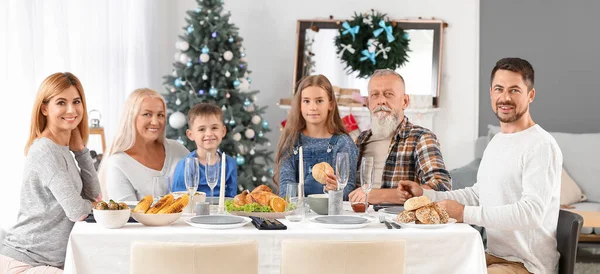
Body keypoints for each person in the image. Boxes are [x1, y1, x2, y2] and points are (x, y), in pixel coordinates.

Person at [399, 58, 562, 274]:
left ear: (530, 95)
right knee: (429, 266)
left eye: (514, 90)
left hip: (528, 265)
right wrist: (426, 195)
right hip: (496, 255)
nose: (505, 97)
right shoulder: (497, 141)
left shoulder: (540, 145)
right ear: (491, 93)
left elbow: (531, 213)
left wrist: (465, 213)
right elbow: (479, 194)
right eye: (499, 89)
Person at [0, 72, 101, 273]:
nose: (71, 109)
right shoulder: (45, 150)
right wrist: (93, 205)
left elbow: (94, 195)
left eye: (76, 101)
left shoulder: (62, 149)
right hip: (24, 261)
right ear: (44, 108)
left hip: (50, 262)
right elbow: (78, 211)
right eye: (61, 102)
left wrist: (81, 151)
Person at [349, 69, 451, 204]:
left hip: (400, 222)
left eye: (389, 94)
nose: (381, 101)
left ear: (405, 101)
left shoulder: (421, 138)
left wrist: (377, 196)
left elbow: (442, 188)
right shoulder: (360, 140)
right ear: (368, 103)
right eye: (375, 95)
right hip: (358, 219)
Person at [274, 74, 358, 199]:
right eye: (306, 101)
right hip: (298, 214)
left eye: (319, 101)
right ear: (300, 105)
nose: (313, 107)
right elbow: (286, 187)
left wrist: (336, 189)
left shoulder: (343, 143)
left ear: (330, 104)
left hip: (330, 216)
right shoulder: (291, 141)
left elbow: (349, 188)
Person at [100, 88, 189, 201]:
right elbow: (127, 215)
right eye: (147, 114)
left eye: (160, 115)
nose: (155, 122)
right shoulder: (118, 163)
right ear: (131, 117)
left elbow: (200, 191)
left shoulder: (178, 150)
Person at [172, 103, 237, 198]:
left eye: (214, 128)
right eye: (202, 129)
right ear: (190, 135)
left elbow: (231, 198)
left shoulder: (229, 164)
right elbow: (178, 199)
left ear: (223, 131)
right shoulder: (185, 165)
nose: (209, 133)